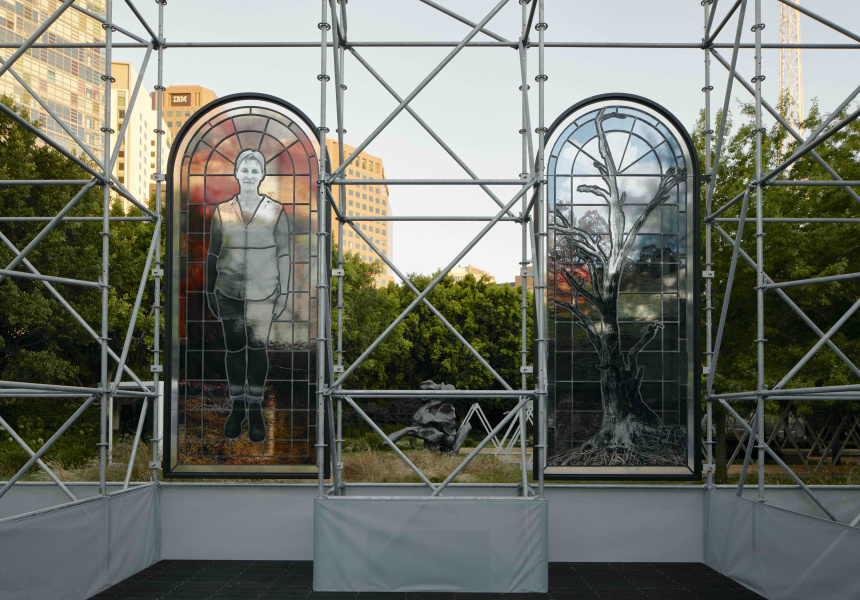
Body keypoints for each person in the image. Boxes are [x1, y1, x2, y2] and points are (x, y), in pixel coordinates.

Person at [206, 149, 290, 442]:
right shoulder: (222, 211)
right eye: (245, 169)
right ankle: (237, 406)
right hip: (228, 290)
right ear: (237, 173)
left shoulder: (276, 211)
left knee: (257, 348)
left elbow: (284, 253)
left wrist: (284, 293)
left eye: (255, 170)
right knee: (234, 348)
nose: (250, 175)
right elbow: (213, 252)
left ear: (262, 175)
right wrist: (210, 289)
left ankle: (255, 408)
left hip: (263, 292)